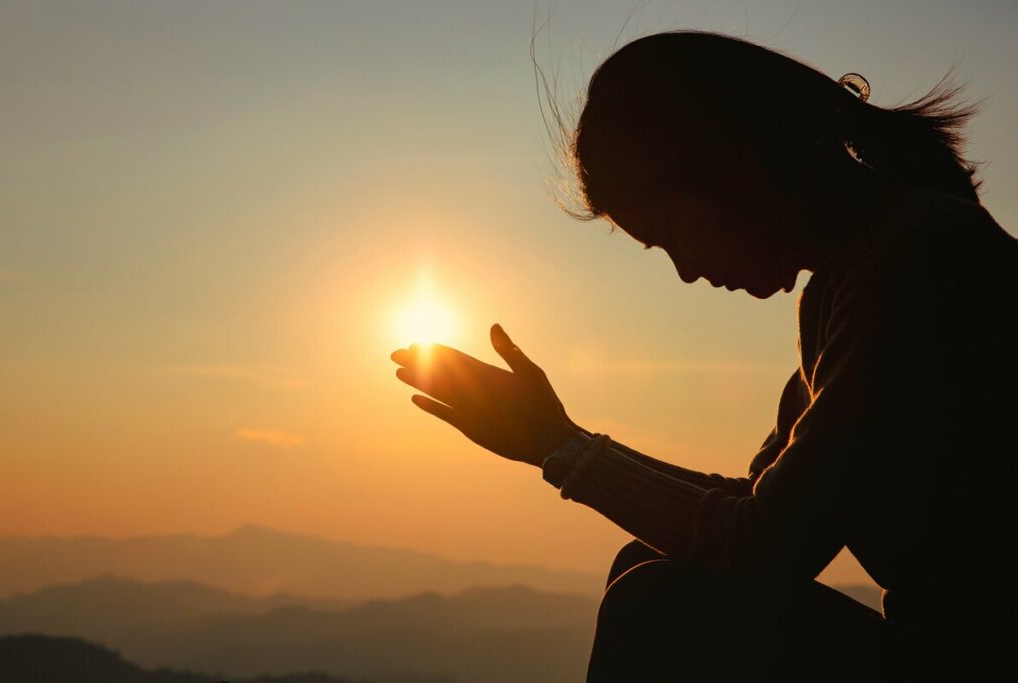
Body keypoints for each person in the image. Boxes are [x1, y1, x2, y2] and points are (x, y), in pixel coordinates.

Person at [390, 30, 1016, 682]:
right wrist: (558, 444)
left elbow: (767, 541)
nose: (687, 270)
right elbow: (757, 501)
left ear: (728, 168)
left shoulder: (912, 263)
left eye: (669, 236)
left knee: (655, 605)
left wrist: (565, 445)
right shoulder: (849, 279)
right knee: (645, 564)